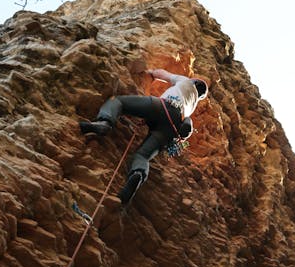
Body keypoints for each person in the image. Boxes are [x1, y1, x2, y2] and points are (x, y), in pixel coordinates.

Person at [80, 69, 209, 204]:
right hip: (171, 128)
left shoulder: (186, 81)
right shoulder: (192, 104)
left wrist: (151, 72)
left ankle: (104, 123)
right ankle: (138, 174)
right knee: (142, 156)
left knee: (118, 102)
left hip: (162, 106)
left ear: (194, 82)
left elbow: (162, 74)